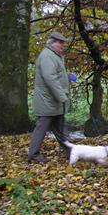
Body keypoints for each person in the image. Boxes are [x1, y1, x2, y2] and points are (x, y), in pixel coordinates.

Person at [27, 31, 72, 163]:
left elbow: (56, 74)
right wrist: (62, 96)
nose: (62, 45)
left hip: (54, 101)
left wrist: (67, 76)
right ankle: (33, 155)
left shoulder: (54, 55)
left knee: (61, 128)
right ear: (52, 43)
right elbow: (50, 78)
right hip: (48, 100)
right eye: (60, 43)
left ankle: (72, 152)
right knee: (41, 129)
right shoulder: (47, 56)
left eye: (63, 43)